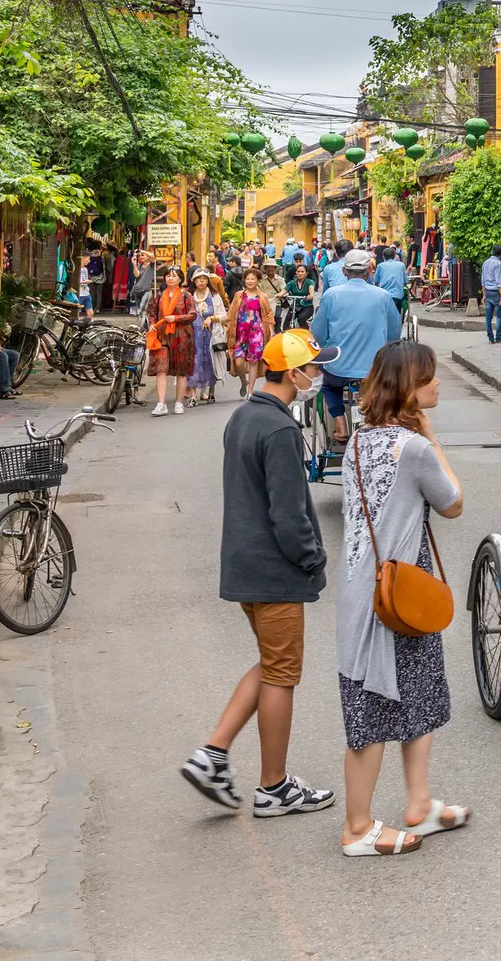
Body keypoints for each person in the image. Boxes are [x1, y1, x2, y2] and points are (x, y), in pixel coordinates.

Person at [181, 329, 341, 819]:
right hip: (274, 570)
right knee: (282, 673)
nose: (319, 375)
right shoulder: (280, 429)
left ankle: (213, 754)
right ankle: (273, 786)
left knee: (273, 664)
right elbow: (289, 514)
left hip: (246, 564)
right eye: (313, 368)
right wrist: (313, 559)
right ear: (293, 374)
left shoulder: (244, 416)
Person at [336, 341, 467, 857]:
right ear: (407, 388)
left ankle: (419, 803)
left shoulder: (358, 441)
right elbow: (453, 503)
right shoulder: (412, 448)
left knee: (416, 692)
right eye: (428, 376)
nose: (437, 383)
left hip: (366, 585)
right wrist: (430, 435)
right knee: (374, 705)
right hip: (397, 593)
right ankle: (357, 827)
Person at [312, 250, 405, 445]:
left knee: (327, 385)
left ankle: (341, 425)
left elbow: (318, 334)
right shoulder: (383, 296)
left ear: (344, 271)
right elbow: (394, 334)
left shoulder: (331, 295)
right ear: (369, 270)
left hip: (338, 369)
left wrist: (324, 345)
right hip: (374, 371)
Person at [147, 264, 195, 414]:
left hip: (181, 337)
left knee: (181, 371)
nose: (171, 278)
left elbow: (193, 315)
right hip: (162, 337)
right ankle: (161, 403)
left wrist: (176, 318)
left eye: (174, 276)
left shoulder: (186, 296)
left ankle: (179, 402)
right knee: (161, 369)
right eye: (168, 275)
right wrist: (152, 324)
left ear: (180, 279)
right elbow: (152, 314)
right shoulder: (159, 296)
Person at [228, 266, 273, 398]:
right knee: (239, 362)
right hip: (240, 334)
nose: (250, 281)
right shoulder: (238, 295)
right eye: (248, 279)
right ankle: (244, 381)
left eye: (253, 279)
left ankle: (251, 391)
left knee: (253, 362)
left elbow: (269, 315)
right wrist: (224, 323)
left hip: (256, 334)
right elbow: (231, 312)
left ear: (258, 280)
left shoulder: (262, 297)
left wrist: (271, 331)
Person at [189, 269, 227, 404]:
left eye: (204, 278)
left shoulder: (214, 296)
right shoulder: (189, 296)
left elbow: (224, 315)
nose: (201, 281)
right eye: (198, 278)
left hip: (211, 335)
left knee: (211, 363)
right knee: (194, 363)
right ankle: (193, 395)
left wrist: (212, 318)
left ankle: (211, 392)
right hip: (193, 335)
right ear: (194, 280)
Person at [480, 247, 501, 344]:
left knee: (488, 317)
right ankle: (498, 338)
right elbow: (499, 280)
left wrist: (483, 295)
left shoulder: (485, 262)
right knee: (499, 316)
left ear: (492, 252)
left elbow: (483, 280)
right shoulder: (498, 263)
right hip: (496, 292)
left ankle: (490, 338)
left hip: (487, 291)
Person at [375, 245, 409, 318]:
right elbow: (406, 281)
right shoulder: (401, 265)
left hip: (384, 295)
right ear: (394, 256)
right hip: (398, 295)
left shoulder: (380, 266)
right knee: (397, 314)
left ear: (383, 257)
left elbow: (376, 281)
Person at [285, 261, 317, 331]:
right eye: (298, 271)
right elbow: (284, 291)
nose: (300, 273)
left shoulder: (310, 282)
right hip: (295, 306)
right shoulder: (292, 283)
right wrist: (280, 295)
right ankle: (286, 335)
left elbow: (311, 292)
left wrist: (310, 296)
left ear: (306, 273)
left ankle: (306, 333)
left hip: (307, 306)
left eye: (302, 272)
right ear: (296, 273)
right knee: (287, 320)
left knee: (301, 318)